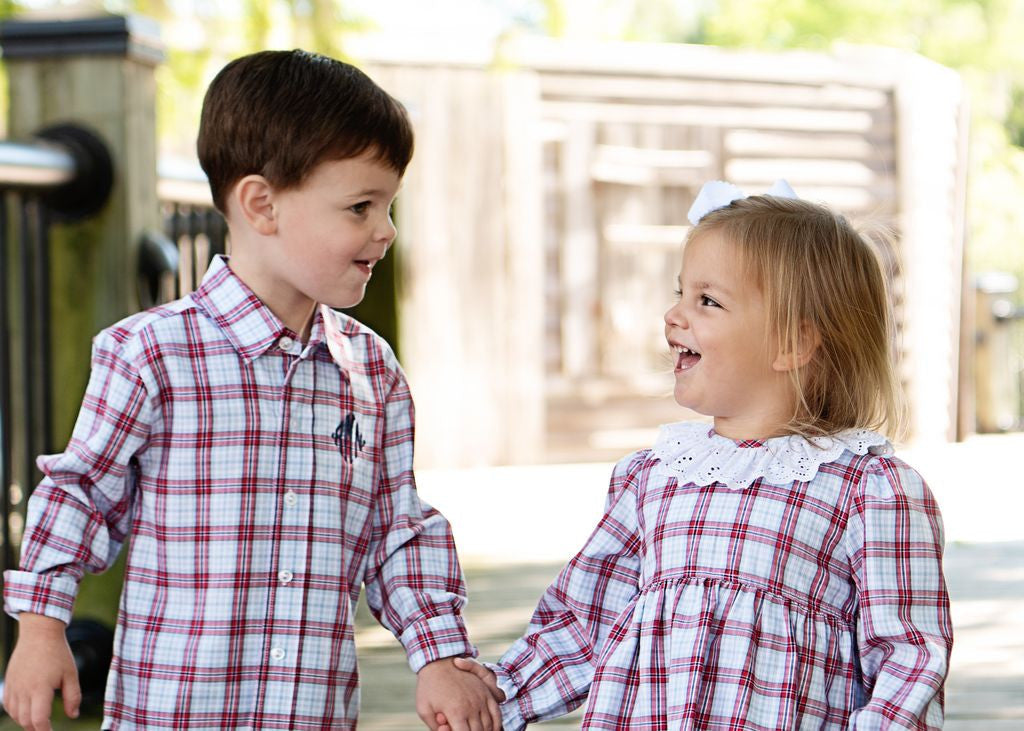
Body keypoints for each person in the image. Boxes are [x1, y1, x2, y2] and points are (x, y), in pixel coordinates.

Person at [2, 50, 501, 731]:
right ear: (261, 203)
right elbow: (79, 494)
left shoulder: (372, 373)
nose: (385, 230)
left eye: (388, 205)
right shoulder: (149, 355)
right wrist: (40, 629)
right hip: (170, 714)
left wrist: (439, 655)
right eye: (361, 206)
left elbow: (396, 531)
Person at [444, 180, 953, 730]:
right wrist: (500, 694)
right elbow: (588, 618)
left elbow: (909, 659)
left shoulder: (868, 490)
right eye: (680, 293)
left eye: (707, 301)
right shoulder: (655, 477)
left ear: (792, 344)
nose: (673, 315)